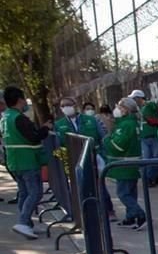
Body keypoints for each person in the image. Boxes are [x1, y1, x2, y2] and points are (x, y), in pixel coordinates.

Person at [55, 96, 116, 220]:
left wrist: (104, 155)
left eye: (68, 104)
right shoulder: (59, 125)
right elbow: (59, 143)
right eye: (63, 106)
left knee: (99, 185)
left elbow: (103, 137)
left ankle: (108, 210)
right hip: (74, 159)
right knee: (80, 187)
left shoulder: (91, 120)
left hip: (94, 156)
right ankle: (86, 213)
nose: (66, 107)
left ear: (75, 105)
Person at [1, 86, 50, 240]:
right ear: (20, 100)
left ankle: (27, 225)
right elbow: (34, 136)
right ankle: (23, 222)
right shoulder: (19, 118)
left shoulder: (5, 117)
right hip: (27, 161)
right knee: (35, 192)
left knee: (24, 193)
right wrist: (45, 128)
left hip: (14, 161)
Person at [105, 98, 146, 229]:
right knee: (131, 192)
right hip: (130, 164)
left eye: (120, 107)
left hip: (124, 165)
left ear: (126, 109)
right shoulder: (130, 123)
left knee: (123, 193)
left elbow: (118, 145)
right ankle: (130, 217)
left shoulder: (126, 125)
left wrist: (107, 139)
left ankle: (139, 214)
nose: (117, 109)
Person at [129, 89, 158, 187]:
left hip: (153, 135)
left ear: (139, 98)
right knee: (147, 158)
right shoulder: (139, 109)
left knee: (156, 158)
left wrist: (146, 103)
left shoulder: (148, 106)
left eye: (135, 99)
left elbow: (154, 107)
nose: (134, 101)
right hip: (144, 137)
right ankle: (148, 179)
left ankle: (154, 178)